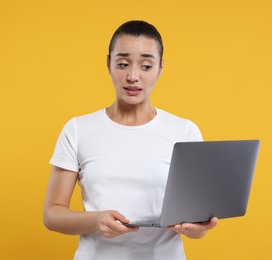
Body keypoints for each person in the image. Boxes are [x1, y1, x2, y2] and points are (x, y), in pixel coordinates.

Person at [43, 20, 218, 260]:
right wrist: (95, 220)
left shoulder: (184, 132)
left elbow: (197, 229)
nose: (133, 76)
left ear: (160, 68)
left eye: (146, 66)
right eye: (123, 64)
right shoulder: (77, 129)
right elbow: (52, 215)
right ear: (109, 64)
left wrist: (197, 228)